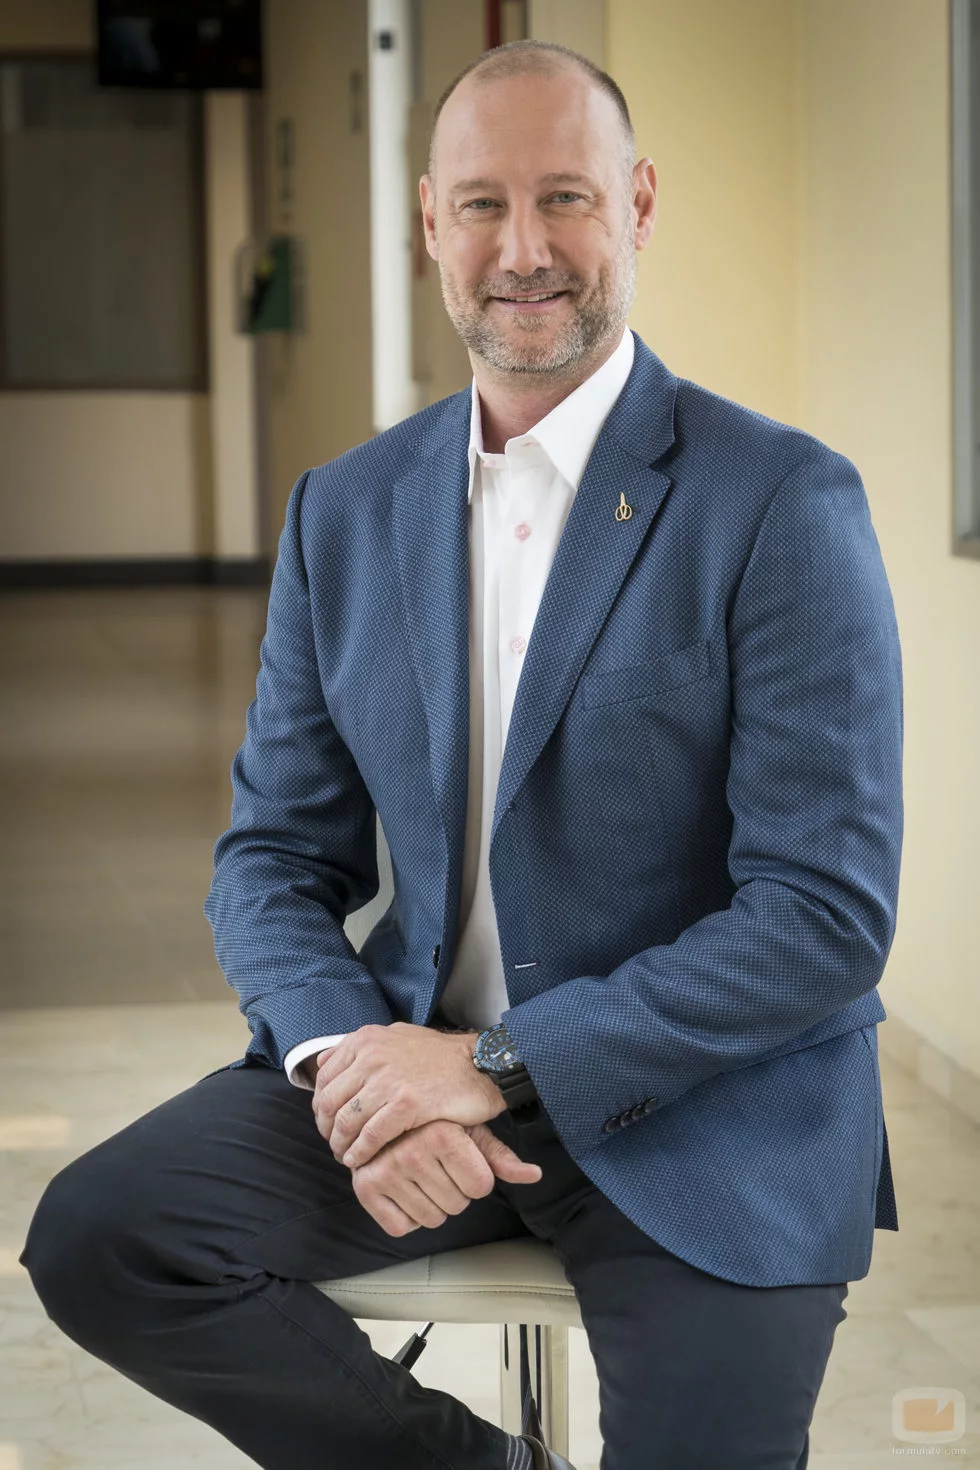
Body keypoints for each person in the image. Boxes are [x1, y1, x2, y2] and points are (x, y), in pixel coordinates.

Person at [21, 37, 903, 1470]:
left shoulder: (781, 501)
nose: (524, 249)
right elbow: (273, 855)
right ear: (431, 221)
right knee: (105, 1238)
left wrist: (492, 1062)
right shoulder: (346, 511)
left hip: (707, 1107)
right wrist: (350, 1066)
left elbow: (824, 915)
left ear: (639, 204)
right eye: (483, 203)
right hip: (416, 1061)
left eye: (567, 197)